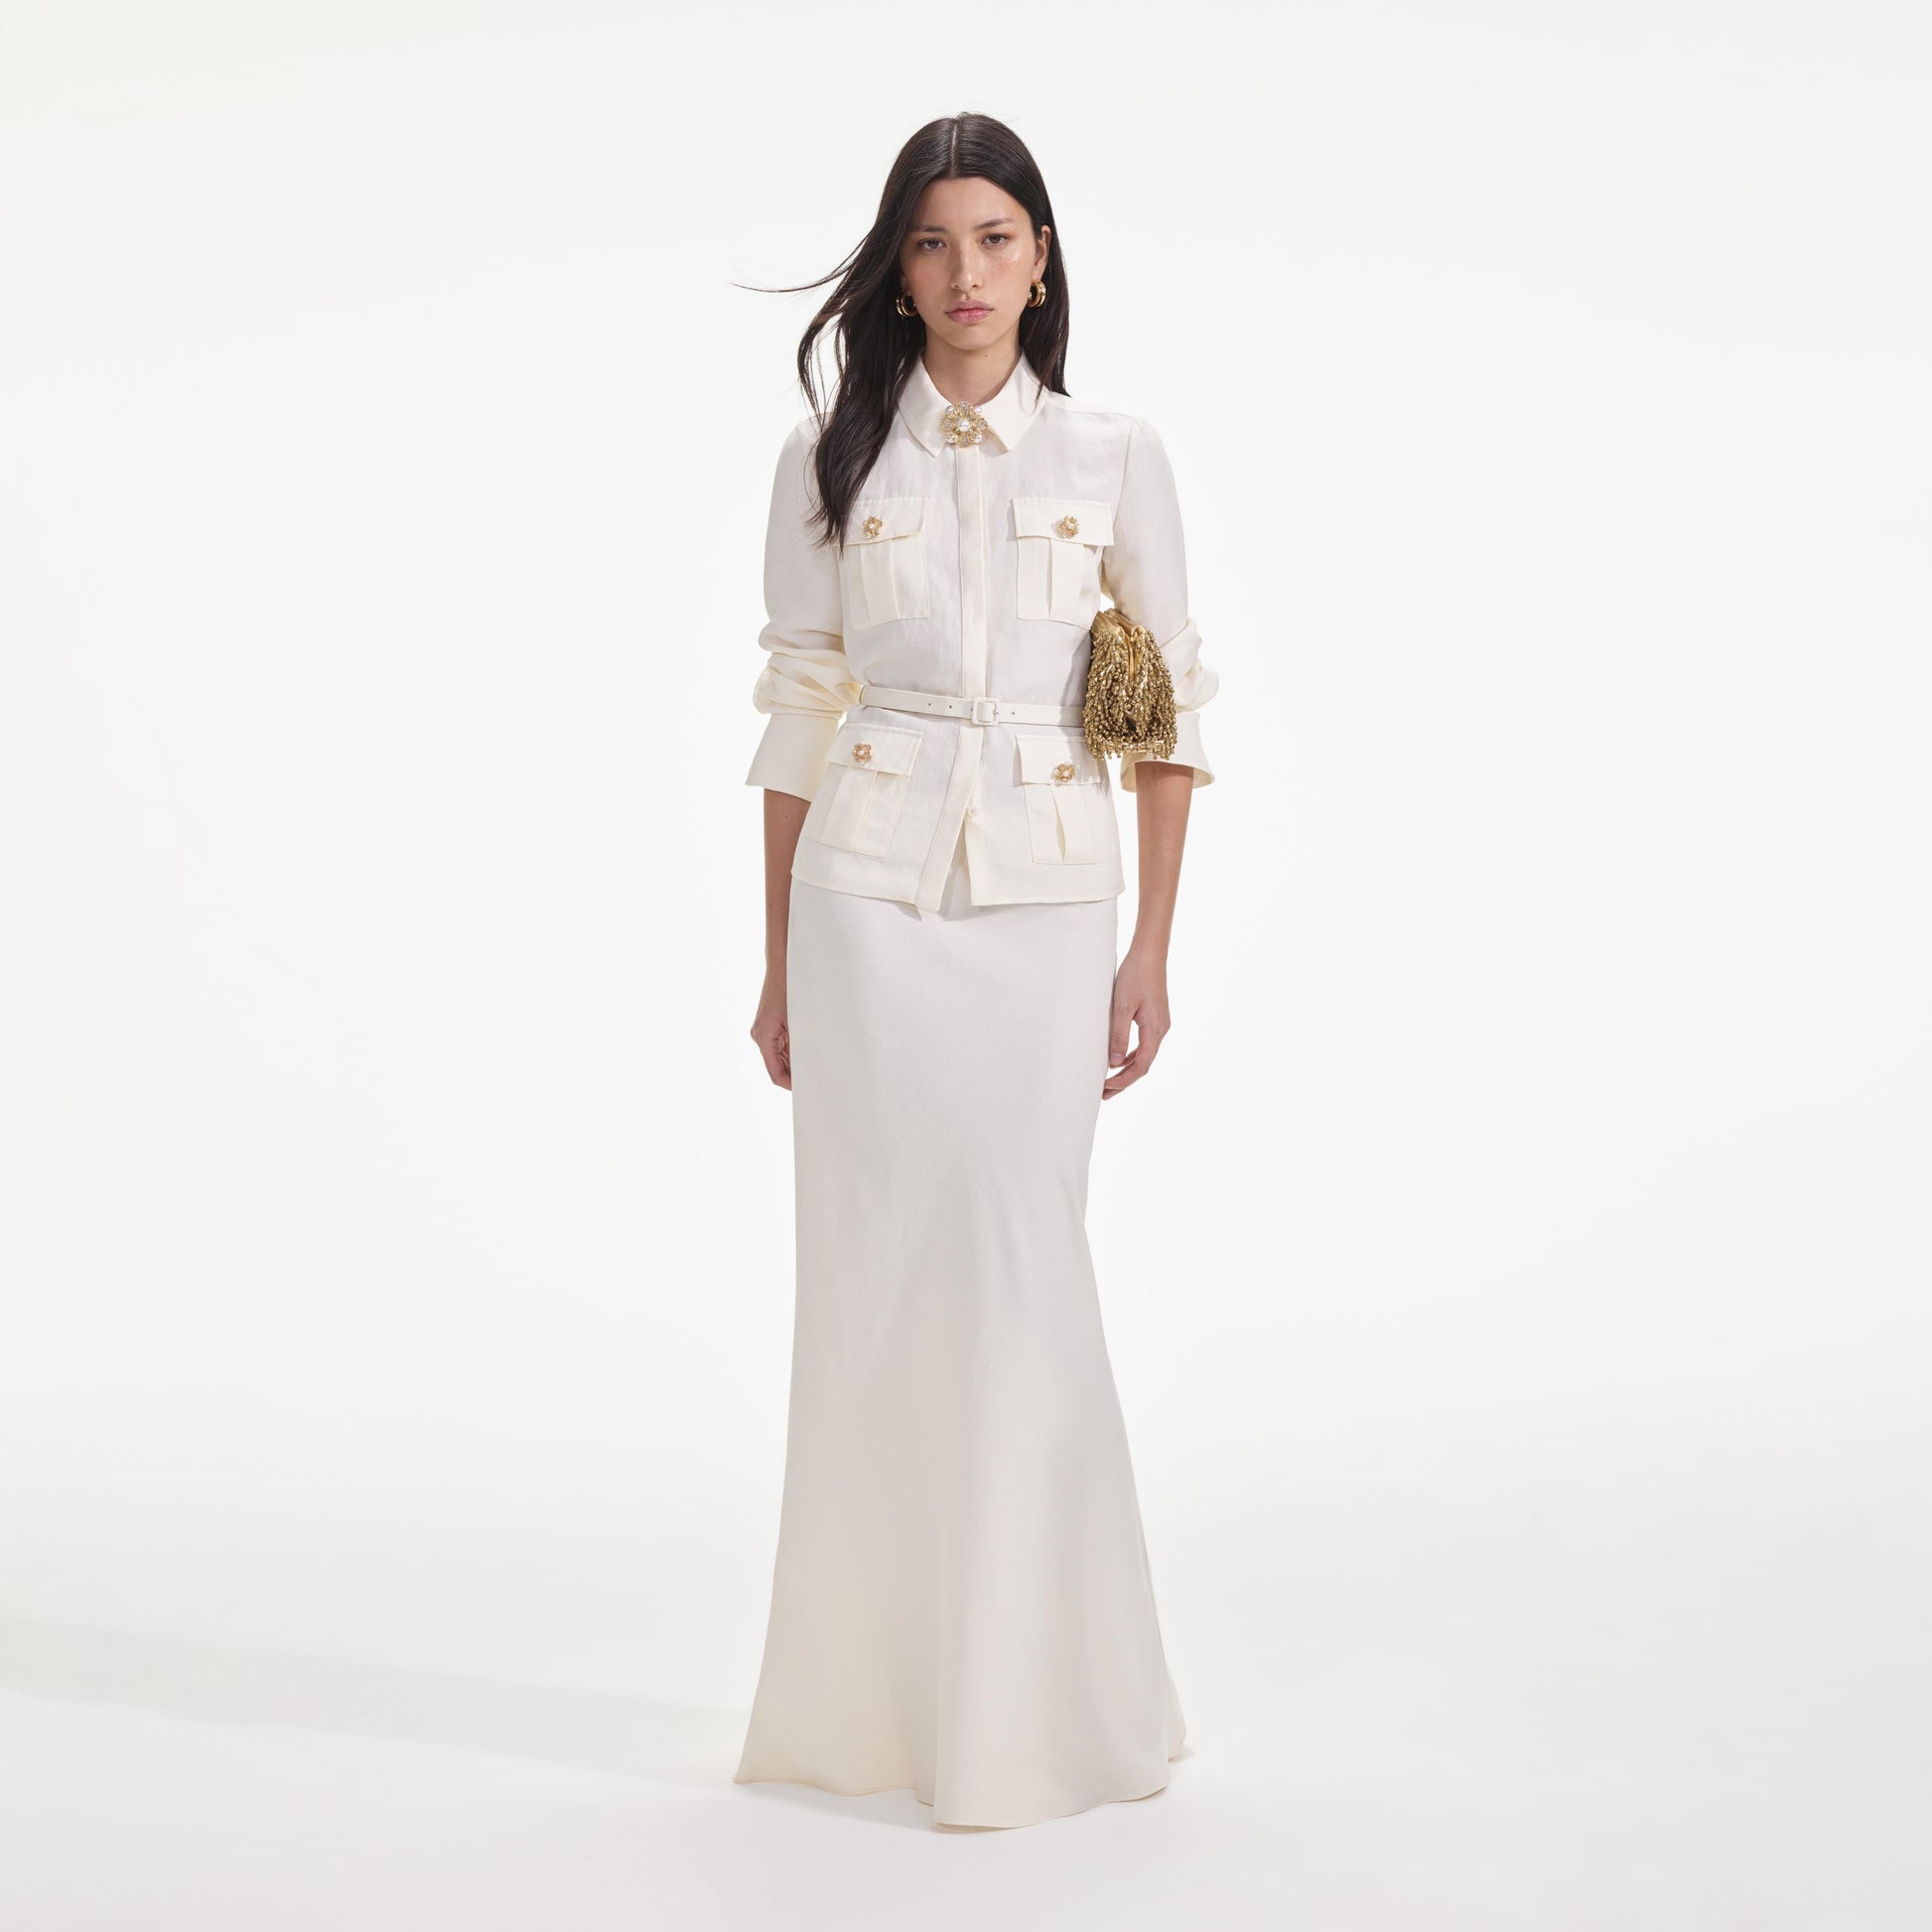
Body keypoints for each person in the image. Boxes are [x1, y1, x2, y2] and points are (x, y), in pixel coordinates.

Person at [735, 111, 1219, 1832]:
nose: (963, 273)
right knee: (873, 1281)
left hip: (1045, 903)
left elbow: (1165, 707)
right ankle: (873, 1709)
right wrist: (776, 959)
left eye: (994, 238)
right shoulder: (827, 457)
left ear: (1039, 259)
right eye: (932, 242)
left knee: (1022, 1264)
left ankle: (1044, 1708)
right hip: (863, 903)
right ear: (897, 268)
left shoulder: (1111, 452)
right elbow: (800, 704)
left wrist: (1150, 944)